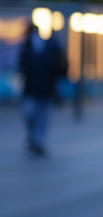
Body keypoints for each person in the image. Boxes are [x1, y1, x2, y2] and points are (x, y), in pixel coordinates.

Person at [19, 24, 67, 157]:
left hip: (46, 87)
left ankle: (38, 140)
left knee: (43, 115)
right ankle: (34, 137)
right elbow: (22, 65)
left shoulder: (52, 45)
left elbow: (61, 66)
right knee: (29, 112)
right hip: (30, 88)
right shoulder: (27, 46)